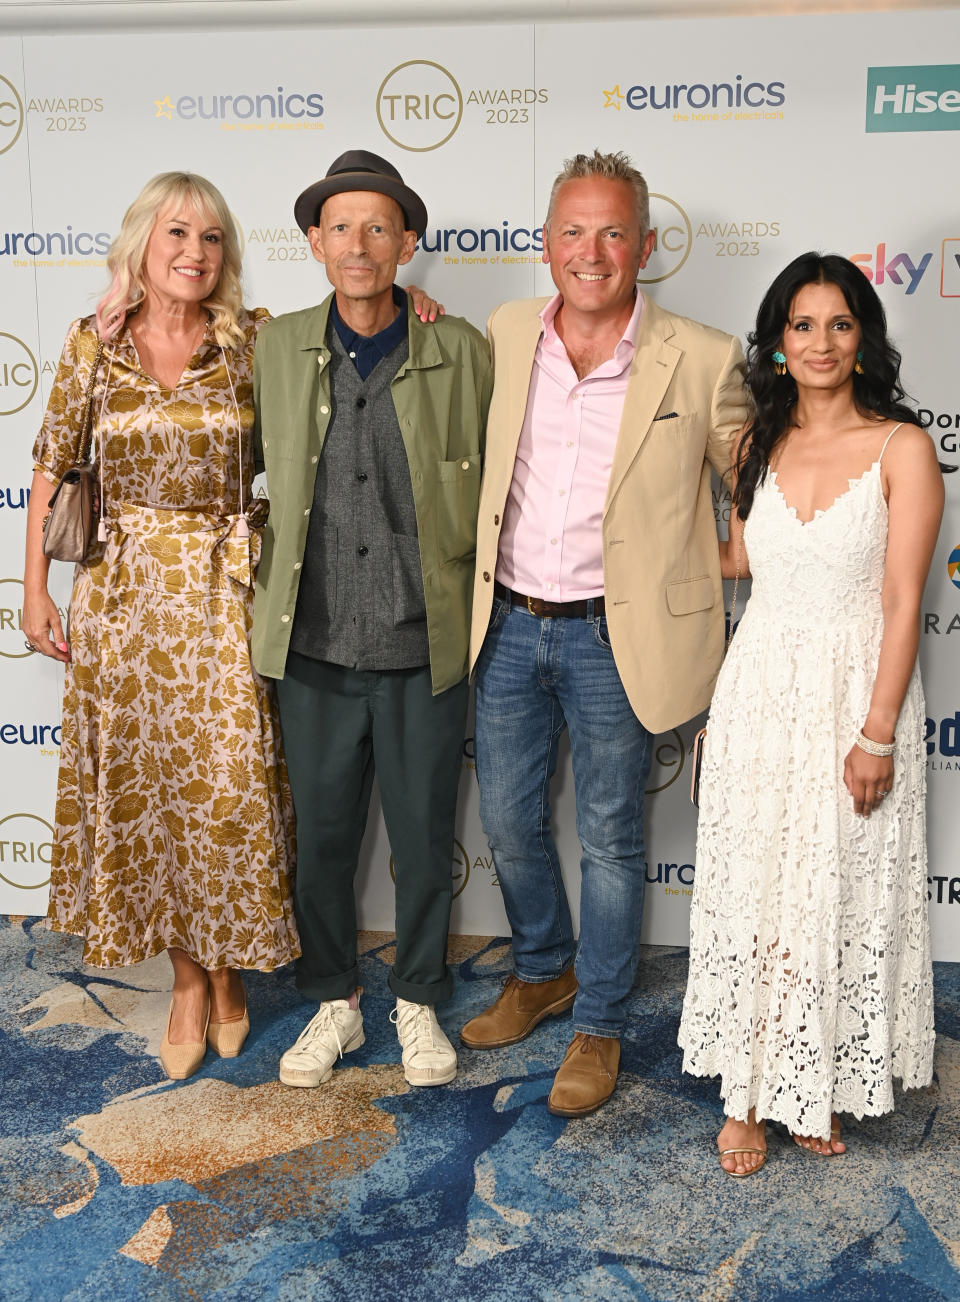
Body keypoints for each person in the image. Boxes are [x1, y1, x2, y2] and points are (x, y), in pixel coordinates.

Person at [460, 149, 750, 1117]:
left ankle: (603, 1025)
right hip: (505, 625)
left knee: (615, 839)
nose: (593, 252)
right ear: (546, 245)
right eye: (574, 231)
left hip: (616, 640)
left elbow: (756, 495)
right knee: (507, 821)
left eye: (613, 232)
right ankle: (543, 970)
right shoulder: (501, 335)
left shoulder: (702, 358)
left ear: (647, 246)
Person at [25, 172, 300, 1080]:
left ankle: (229, 970)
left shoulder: (254, 343)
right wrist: (37, 591)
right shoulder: (92, 345)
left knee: (222, 796)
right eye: (178, 232)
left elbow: (338, 369)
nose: (195, 251)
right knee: (148, 793)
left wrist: (412, 303)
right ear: (143, 243)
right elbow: (52, 469)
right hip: (122, 597)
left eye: (212, 237)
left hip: (224, 594)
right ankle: (190, 980)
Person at [678, 252, 942, 1176]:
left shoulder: (903, 447)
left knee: (834, 889)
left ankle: (809, 1082)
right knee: (757, 889)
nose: (820, 342)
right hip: (759, 690)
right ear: (778, 342)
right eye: (802, 325)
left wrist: (875, 733)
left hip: (852, 695)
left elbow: (904, 601)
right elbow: (741, 564)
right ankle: (747, 1095)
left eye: (839, 323)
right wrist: (630, 535)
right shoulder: (757, 445)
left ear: (862, 337)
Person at [251, 149, 492, 1091]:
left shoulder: (460, 349)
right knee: (324, 841)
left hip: (420, 640)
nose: (358, 244)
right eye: (340, 226)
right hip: (310, 644)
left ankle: (420, 997)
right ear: (315, 243)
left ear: (408, 243)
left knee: (427, 838)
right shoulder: (272, 348)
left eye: (378, 226)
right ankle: (334, 1006)